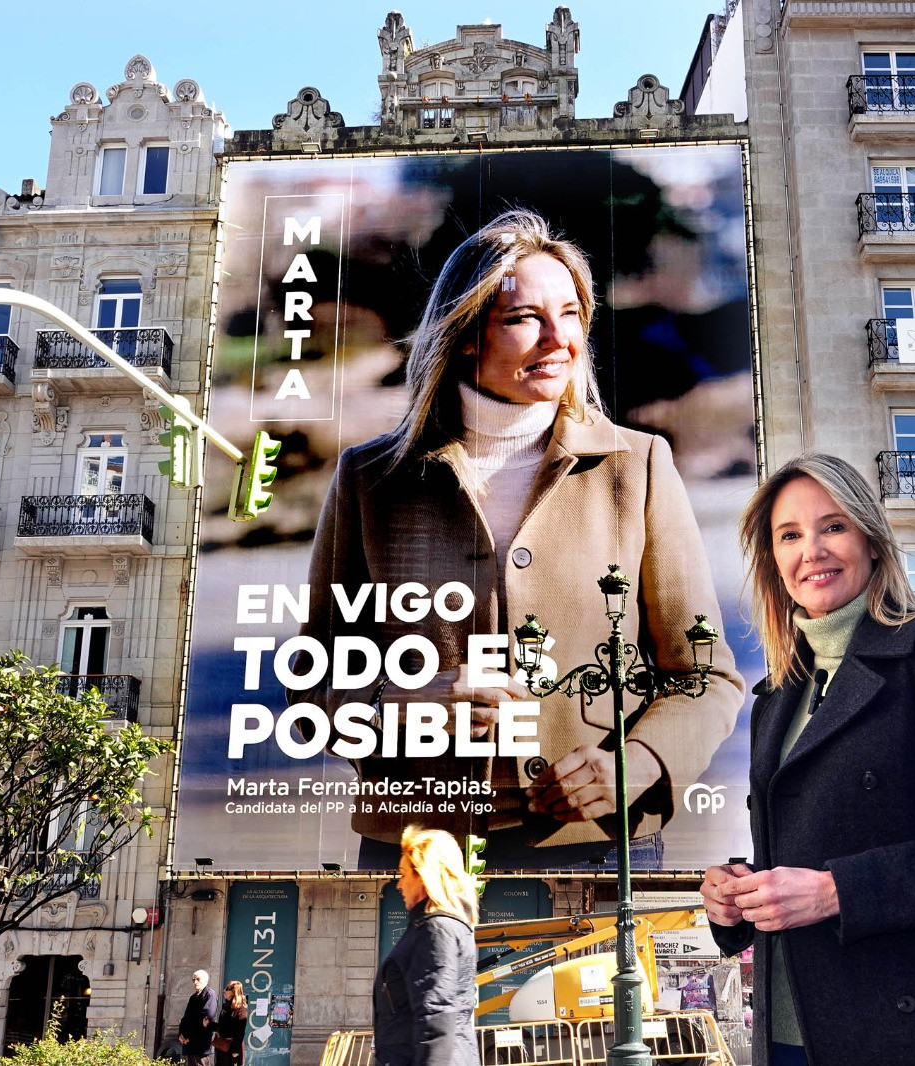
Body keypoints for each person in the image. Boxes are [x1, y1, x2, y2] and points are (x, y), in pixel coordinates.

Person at [297, 208, 744, 869]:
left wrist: (638, 762)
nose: (557, 339)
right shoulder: (371, 478)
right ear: (469, 332)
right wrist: (416, 698)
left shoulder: (638, 466)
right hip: (419, 854)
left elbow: (706, 679)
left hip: (596, 849)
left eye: (570, 315)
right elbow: (313, 688)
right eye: (524, 318)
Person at [699, 453, 915, 1066]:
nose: (811, 550)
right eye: (790, 535)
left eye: (832, 526)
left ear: (870, 540)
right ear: (772, 563)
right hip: (792, 1030)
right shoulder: (775, 699)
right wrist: (735, 898)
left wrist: (838, 891)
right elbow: (805, 856)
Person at [373, 826, 478, 1066]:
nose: (398, 885)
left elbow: (436, 1019)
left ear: (423, 875)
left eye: (403, 874)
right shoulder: (444, 926)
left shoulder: (436, 930)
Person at [176, 969, 219, 1066]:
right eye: (193, 980)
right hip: (190, 1044)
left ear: (205, 980)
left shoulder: (210, 994)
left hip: (201, 1045)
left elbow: (206, 1017)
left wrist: (189, 1037)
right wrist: (181, 1034)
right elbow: (186, 1018)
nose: (195, 982)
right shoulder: (193, 997)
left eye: (198, 979)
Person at [215, 980, 249, 1066]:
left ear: (233, 992)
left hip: (233, 1046)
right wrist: (209, 1024)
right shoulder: (225, 1006)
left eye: (227, 988)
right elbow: (221, 1025)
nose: (224, 990)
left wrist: (236, 1049)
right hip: (222, 1045)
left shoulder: (241, 1008)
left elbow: (240, 1030)